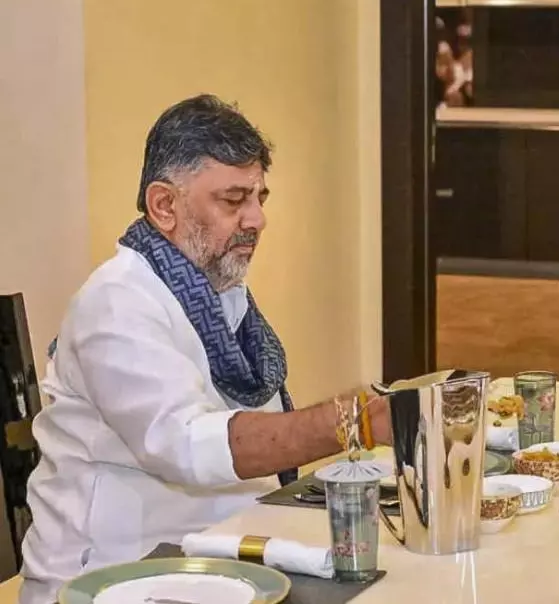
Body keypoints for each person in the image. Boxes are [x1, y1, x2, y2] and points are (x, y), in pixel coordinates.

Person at [18, 94, 392, 603]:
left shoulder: (221, 292)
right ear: (164, 206)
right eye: (234, 200)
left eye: (259, 198)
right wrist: (354, 422)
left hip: (216, 558)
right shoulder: (116, 302)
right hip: (114, 577)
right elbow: (189, 446)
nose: (257, 219)